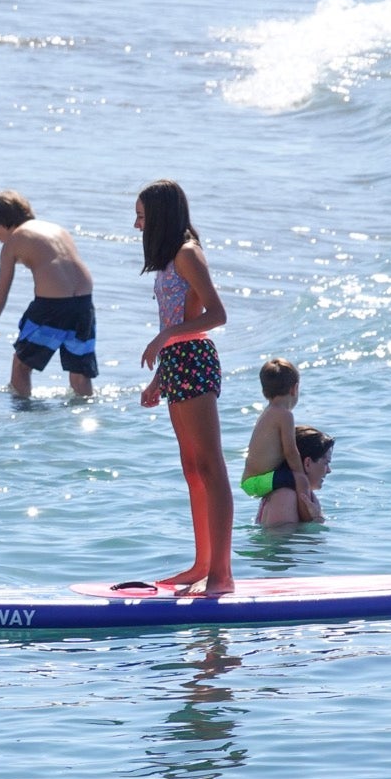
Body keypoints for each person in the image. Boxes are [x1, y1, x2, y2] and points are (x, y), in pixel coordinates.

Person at [136, 179, 234, 595]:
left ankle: (222, 574)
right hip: (177, 364)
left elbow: (217, 314)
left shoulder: (188, 254)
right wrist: (159, 375)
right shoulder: (167, 261)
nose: (137, 225)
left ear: (160, 217)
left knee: (211, 467)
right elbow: (172, 322)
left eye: (141, 216)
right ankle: (201, 564)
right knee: (193, 470)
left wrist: (165, 338)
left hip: (194, 359)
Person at [0, 190, 98, 397]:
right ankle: (86, 414)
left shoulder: (14, 241)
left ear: (3, 222)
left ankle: (23, 420)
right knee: (80, 374)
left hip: (52, 306)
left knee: (21, 366)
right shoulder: (57, 229)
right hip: (84, 304)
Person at [240, 358, 314, 520]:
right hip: (257, 482)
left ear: (264, 391)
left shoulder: (268, 412)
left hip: (251, 481)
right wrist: (300, 473)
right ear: (294, 389)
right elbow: (290, 450)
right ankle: (309, 519)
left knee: (294, 477)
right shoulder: (284, 415)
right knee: (301, 480)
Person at [257, 427, 335, 527]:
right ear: (307, 463)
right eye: (326, 463)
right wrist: (317, 521)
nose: (329, 470)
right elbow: (278, 540)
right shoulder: (285, 496)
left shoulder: (298, 495)